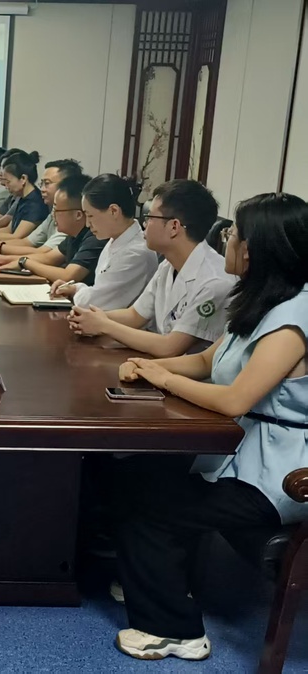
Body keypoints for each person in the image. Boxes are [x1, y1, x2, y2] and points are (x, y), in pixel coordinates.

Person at [110, 192, 308, 661]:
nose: (227, 240)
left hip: (279, 475)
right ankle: (156, 579)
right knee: (137, 474)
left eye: (234, 234)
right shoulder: (262, 301)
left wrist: (164, 379)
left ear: (255, 249)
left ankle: (175, 632)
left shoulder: (291, 321)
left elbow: (236, 398)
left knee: (155, 512)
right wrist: (150, 367)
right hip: (243, 453)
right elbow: (206, 361)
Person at [68, 179, 236, 356]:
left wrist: (104, 325)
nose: (144, 224)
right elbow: (135, 315)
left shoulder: (214, 282)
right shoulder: (168, 265)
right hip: (157, 363)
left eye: (149, 218)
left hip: (184, 369)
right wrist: (88, 317)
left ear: (174, 227)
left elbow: (170, 347)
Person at [50, 174, 158, 311]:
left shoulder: (136, 253)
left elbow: (95, 303)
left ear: (113, 211)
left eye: (90, 216)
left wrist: (77, 290)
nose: (88, 224)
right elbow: (99, 291)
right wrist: (74, 287)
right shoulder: (116, 239)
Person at [0, 174, 106, 285]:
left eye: (57, 210)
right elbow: (48, 258)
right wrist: (5, 259)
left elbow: (68, 276)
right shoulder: (74, 235)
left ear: (78, 215)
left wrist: (24, 262)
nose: (53, 215)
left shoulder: (94, 237)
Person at [0, 158, 82, 259]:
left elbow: (44, 254)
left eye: (47, 183)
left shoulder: (67, 217)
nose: (42, 189)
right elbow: (27, 242)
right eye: (42, 183)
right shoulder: (51, 212)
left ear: (67, 186)